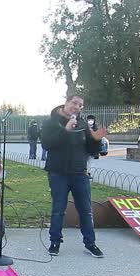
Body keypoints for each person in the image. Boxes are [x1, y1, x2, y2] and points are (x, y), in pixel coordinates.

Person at [41, 94, 108, 258]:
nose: (77, 107)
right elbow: (47, 144)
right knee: (58, 210)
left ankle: (90, 244)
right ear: (66, 103)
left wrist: (97, 141)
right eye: (74, 103)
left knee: (86, 210)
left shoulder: (83, 124)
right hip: (58, 173)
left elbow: (91, 150)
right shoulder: (51, 122)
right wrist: (66, 130)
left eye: (80, 105)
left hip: (80, 173)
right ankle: (55, 242)